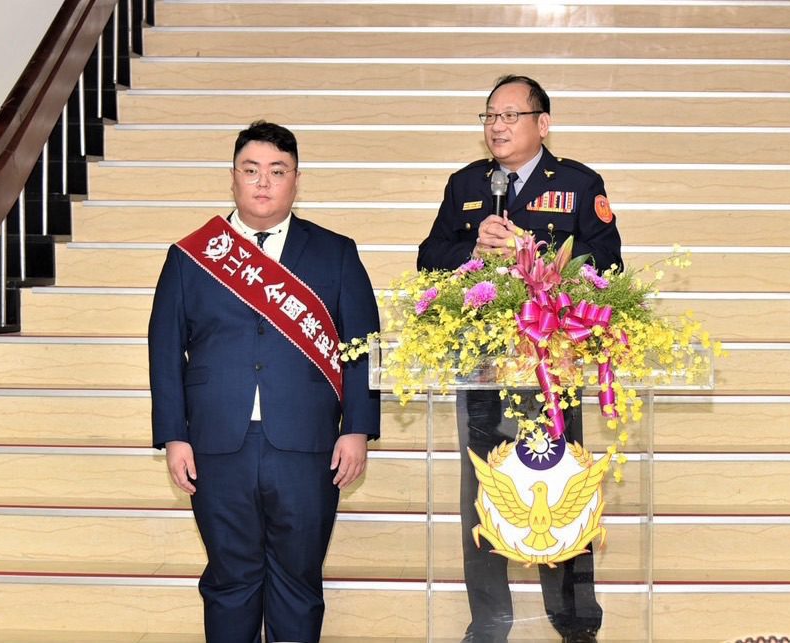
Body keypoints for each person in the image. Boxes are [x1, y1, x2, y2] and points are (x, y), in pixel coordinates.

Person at [148, 120, 381, 643]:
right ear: (232, 176)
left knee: (298, 579)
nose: (263, 182)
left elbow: (362, 345)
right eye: (251, 170)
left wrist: (357, 428)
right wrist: (174, 435)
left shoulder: (335, 252)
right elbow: (164, 351)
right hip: (215, 444)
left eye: (277, 171)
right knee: (229, 579)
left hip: (307, 443)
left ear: (296, 180)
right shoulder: (191, 255)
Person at [418, 75, 623, 643]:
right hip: (482, 364)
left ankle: (574, 622)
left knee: (560, 482)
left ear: (543, 124)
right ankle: (489, 622)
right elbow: (428, 258)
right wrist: (472, 248)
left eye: (510, 115)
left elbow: (608, 264)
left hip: (551, 366)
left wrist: (533, 251)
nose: (498, 126)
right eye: (490, 116)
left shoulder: (579, 185)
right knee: (483, 490)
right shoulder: (466, 184)